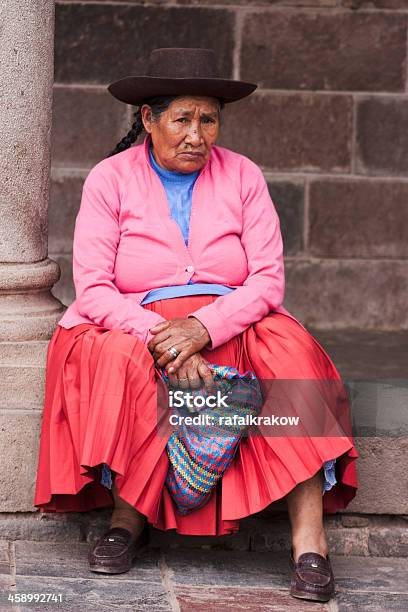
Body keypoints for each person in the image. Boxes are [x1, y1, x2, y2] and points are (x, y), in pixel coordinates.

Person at [33, 47, 358, 603]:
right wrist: (166, 339)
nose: (196, 134)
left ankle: (310, 543)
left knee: (294, 354)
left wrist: (203, 329)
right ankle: (126, 522)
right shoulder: (110, 179)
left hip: (226, 317)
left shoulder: (243, 175)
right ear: (148, 120)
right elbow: (94, 286)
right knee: (120, 360)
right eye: (182, 119)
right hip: (134, 320)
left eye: (208, 119)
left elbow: (267, 281)